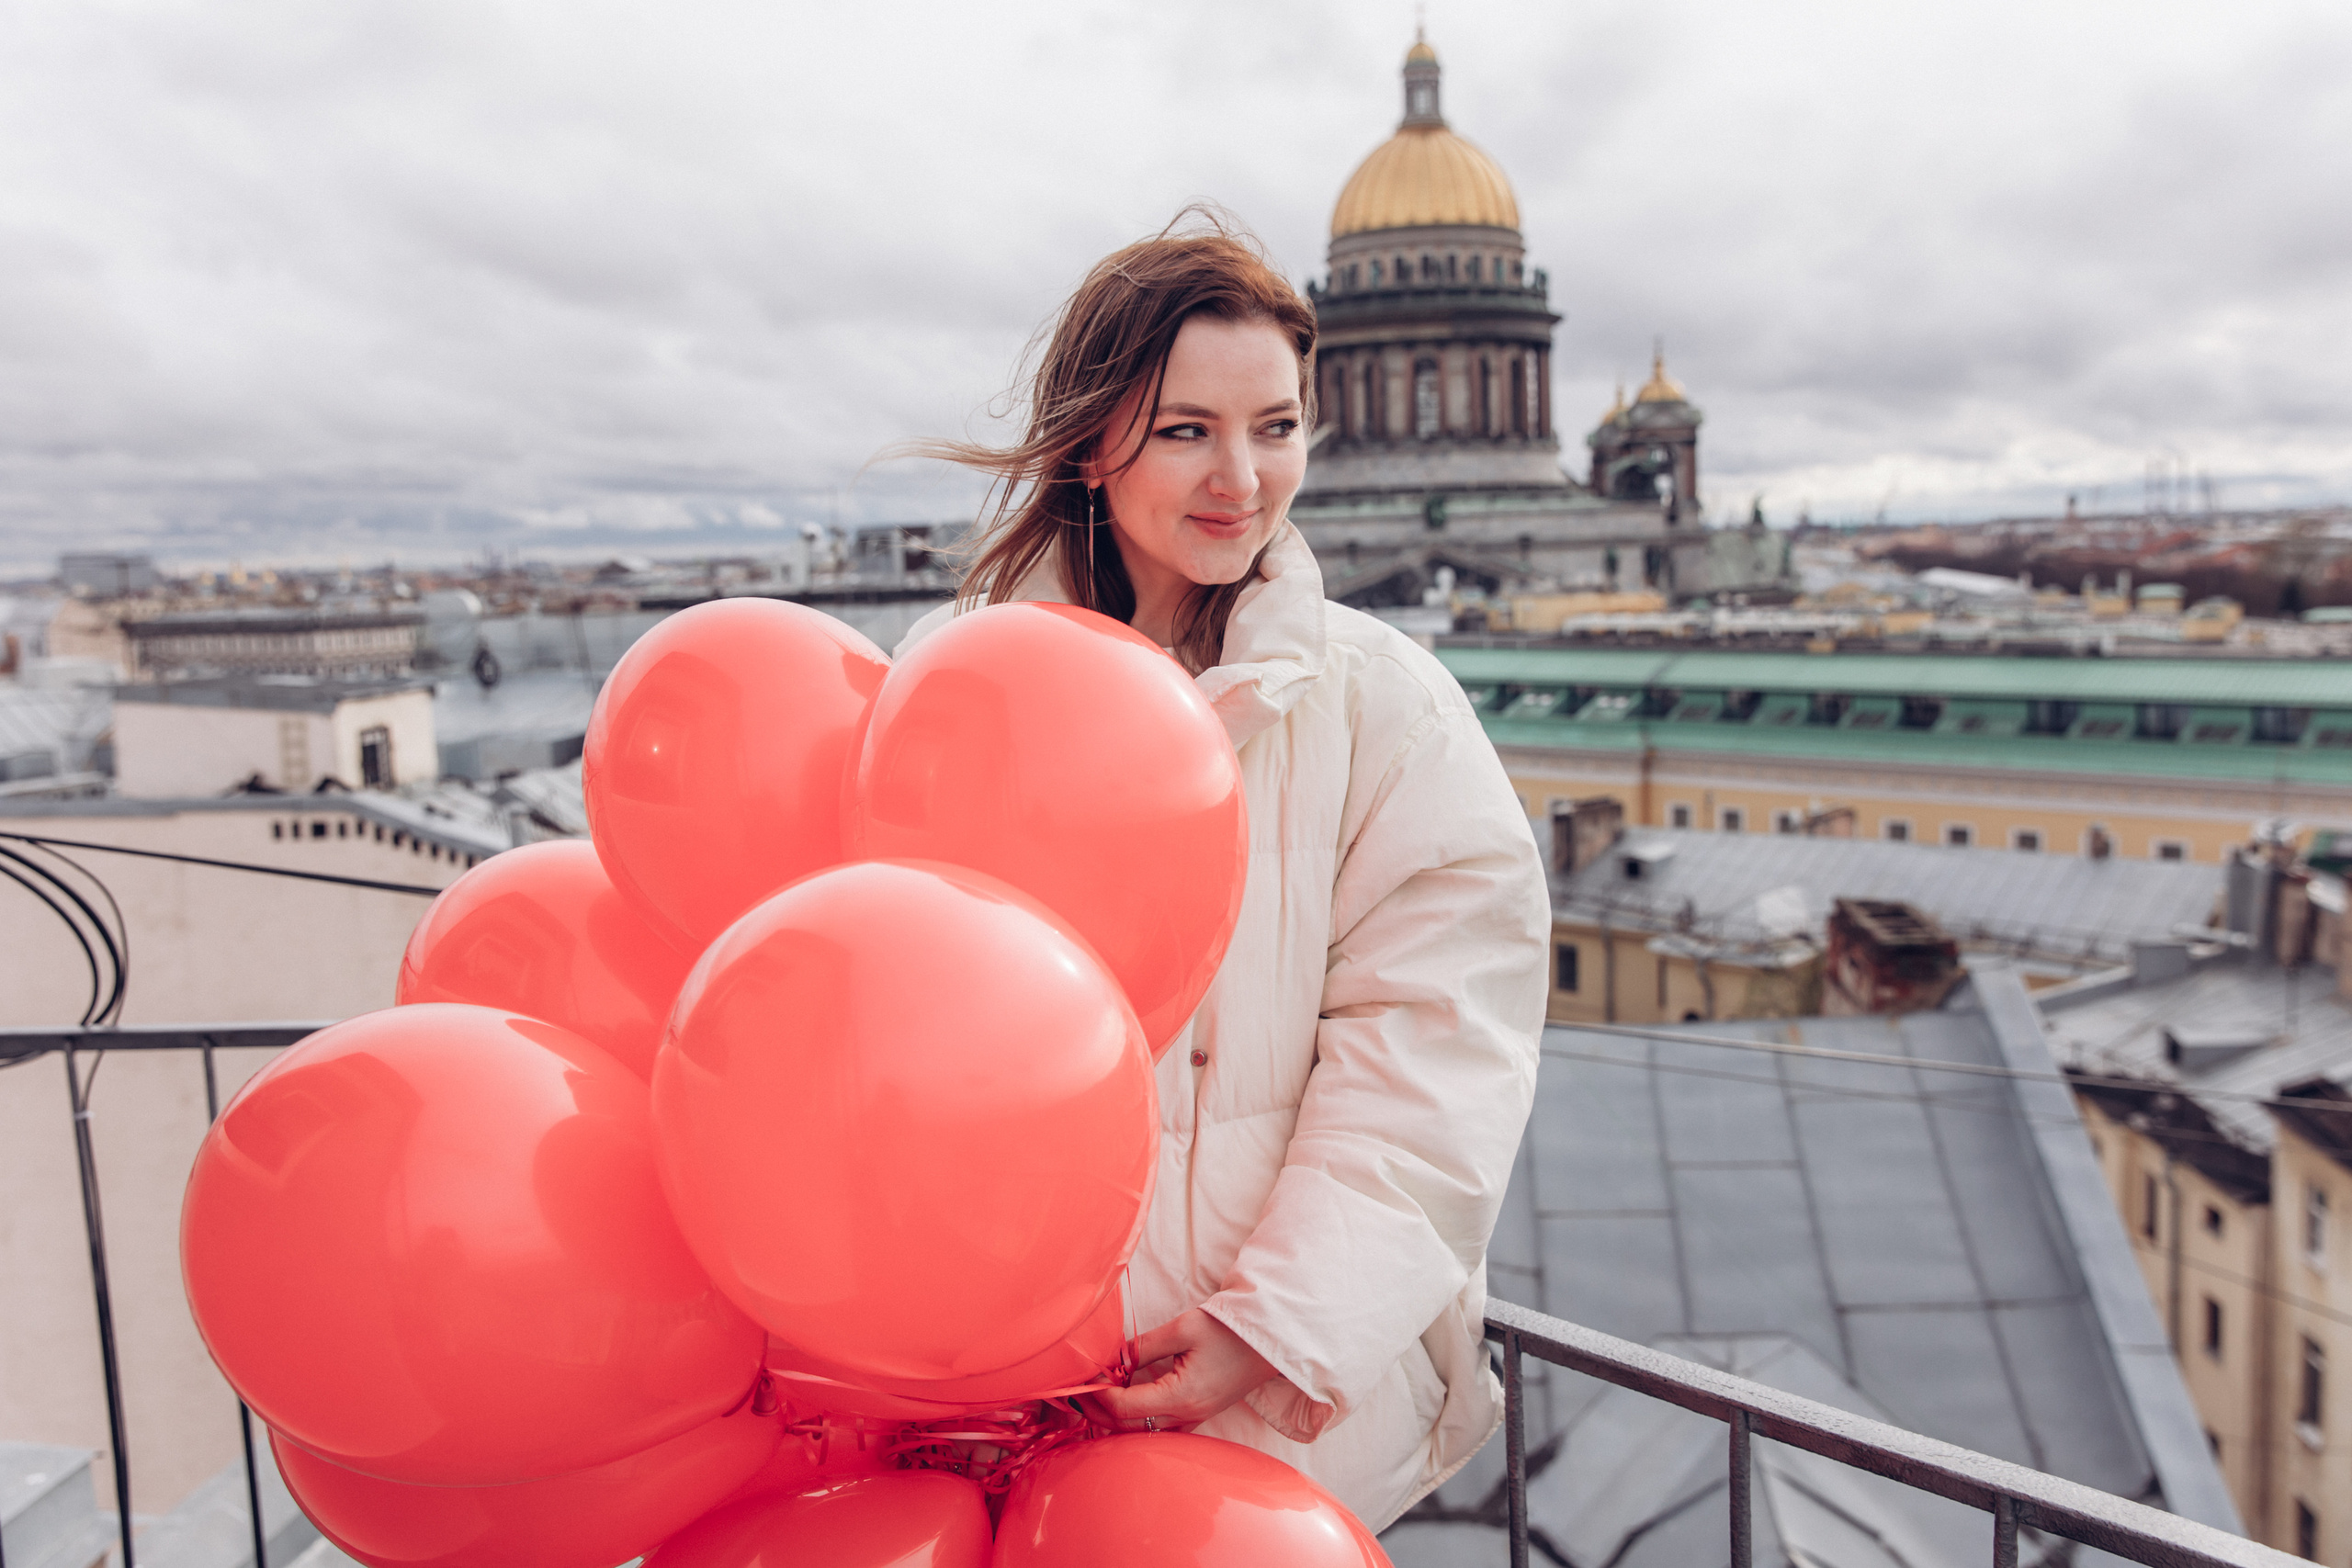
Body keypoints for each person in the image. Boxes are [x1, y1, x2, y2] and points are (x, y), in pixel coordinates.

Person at [896, 211, 1546, 1530]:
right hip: (976, 1400)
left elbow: (1436, 1055)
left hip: (1258, 1408)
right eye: (1187, 427)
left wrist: (1278, 1327)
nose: (1241, 479)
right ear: (1092, 440)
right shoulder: (947, 696)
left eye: (1279, 426)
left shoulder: (1387, 707)